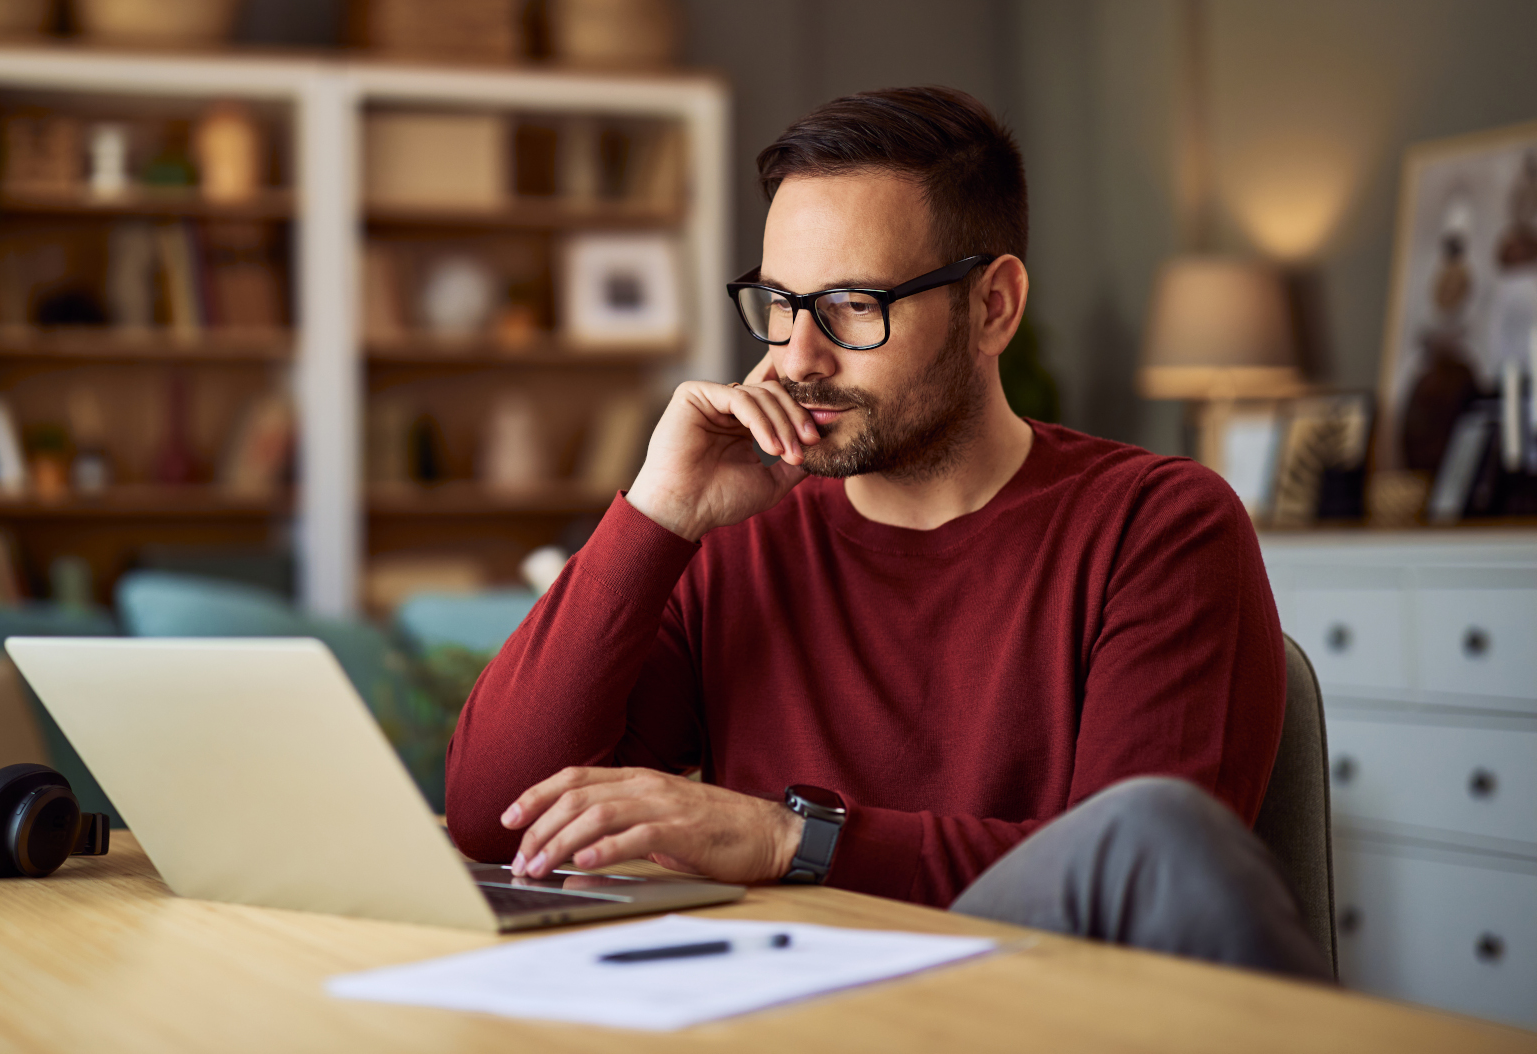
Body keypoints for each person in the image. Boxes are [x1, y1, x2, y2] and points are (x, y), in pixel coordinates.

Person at [444, 87, 1330, 979]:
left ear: (994, 307)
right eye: (780, 303)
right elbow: (494, 821)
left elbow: (1144, 882)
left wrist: (796, 839)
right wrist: (654, 514)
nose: (796, 359)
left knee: (1154, 830)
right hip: (789, 1017)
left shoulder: (1159, 526)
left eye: (854, 305)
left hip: (1036, 1005)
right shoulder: (739, 541)